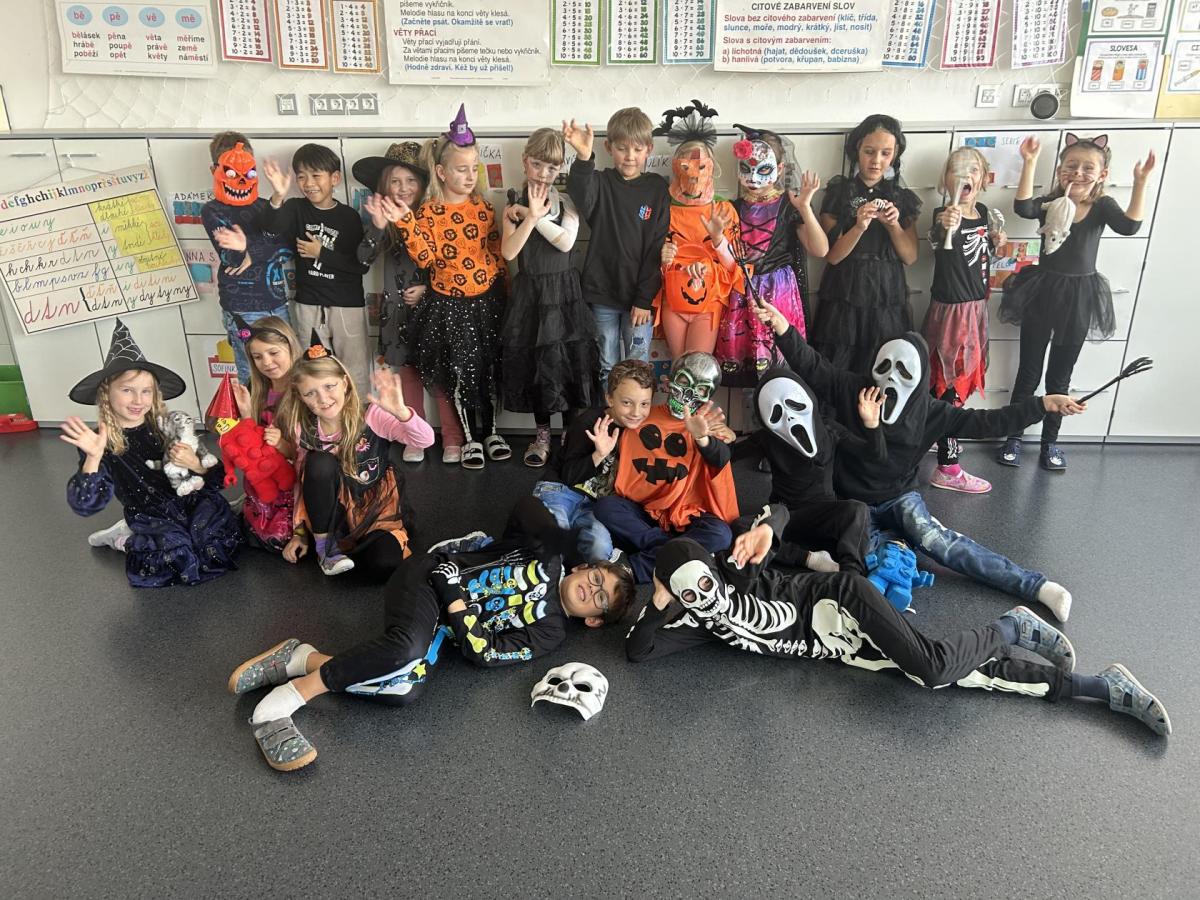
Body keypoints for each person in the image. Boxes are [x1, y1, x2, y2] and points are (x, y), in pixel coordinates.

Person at [627, 508, 1171, 739]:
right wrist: (659, 601)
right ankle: (1101, 687)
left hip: (841, 601)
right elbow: (638, 651)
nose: (705, 598)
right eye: (691, 595)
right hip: (840, 647)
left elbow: (781, 512)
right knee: (963, 674)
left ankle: (1011, 627)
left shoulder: (735, 569)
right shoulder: (698, 620)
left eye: (705, 584)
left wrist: (767, 528)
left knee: (931, 668)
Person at [228, 496, 635, 771]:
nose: (592, 589)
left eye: (600, 599)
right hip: (424, 577)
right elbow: (524, 506)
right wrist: (554, 538)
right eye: (596, 578)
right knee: (406, 649)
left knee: (403, 691)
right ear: (585, 567)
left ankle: (299, 658)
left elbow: (487, 654)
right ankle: (281, 705)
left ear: (594, 620)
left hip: (441, 618)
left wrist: (454, 596)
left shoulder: (550, 633)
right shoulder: (548, 555)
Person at [756, 303, 1083, 622]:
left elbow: (987, 422)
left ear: (919, 377)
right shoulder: (854, 389)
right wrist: (783, 329)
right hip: (852, 502)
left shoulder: (932, 412)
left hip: (900, 496)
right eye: (885, 367)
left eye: (903, 371)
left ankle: (1035, 586)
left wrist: (1042, 405)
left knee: (939, 542)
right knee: (866, 559)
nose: (891, 379)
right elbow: (815, 367)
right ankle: (898, 548)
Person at [997, 133, 1156, 472]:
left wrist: (1140, 182)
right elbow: (1023, 207)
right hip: (1042, 292)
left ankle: (1049, 442)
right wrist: (1029, 163)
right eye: (1071, 166)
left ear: (1102, 174)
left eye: (1088, 168)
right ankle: (1013, 436)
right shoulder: (1051, 203)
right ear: (1060, 171)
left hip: (1080, 297)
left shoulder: (1102, 206)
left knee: (1060, 377)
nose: (1078, 173)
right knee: (1029, 372)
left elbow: (1130, 226)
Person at [62, 319, 243, 587]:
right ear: (106, 393)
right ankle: (124, 538)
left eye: (146, 391)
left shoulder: (168, 426)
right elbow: (86, 504)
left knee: (211, 542)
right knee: (175, 554)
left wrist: (196, 464)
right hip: (150, 514)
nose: (138, 400)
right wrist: (93, 458)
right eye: (127, 390)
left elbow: (219, 477)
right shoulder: (100, 442)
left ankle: (215, 520)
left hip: (191, 502)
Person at [392, 105, 508, 470]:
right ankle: (469, 438)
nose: (470, 175)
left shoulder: (485, 208)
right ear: (441, 172)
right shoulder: (428, 213)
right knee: (459, 373)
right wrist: (406, 223)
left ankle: (491, 431)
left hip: (487, 304)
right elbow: (425, 259)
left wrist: (506, 292)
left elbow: (496, 254)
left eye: (474, 168)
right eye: (461, 169)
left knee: (488, 370)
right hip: (450, 308)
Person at [276, 332, 434, 579]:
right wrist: (299, 533)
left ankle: (357, 548)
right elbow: (304, 481)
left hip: (374, 507)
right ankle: (326, 549)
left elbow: (425, 440)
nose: (323, 399)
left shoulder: (372, 416)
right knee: (318, 462)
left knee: (384, 564)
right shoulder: (303, 429)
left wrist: (403, 413)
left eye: (329, 386)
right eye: (310, 393)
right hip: (334, 510)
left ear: (345, 383)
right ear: (300, 397)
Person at [499, 127, 598, 467]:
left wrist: (535, 217)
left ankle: (569, 435)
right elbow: (509, 252)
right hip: (531, 296)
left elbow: (567, 243)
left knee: (567, 364)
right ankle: (542, 436)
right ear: (525, 161)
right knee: (536, 367)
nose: (543, 173)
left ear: (560, 169)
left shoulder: (567, 201)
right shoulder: (512, 202)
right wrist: (529, 217)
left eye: (552, 167)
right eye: (537, 164)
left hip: (564, 294)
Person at [353, 141, 456, 464]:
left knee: (440, 379)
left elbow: (450, 266)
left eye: (411, 181)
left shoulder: (434, 216)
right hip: (398, 314)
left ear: (423, 184)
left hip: (434, 309)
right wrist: (378, 226)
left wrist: (429, 290)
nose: (403, 188)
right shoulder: (383, 220)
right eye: (395, 181)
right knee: (408, 376)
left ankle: (453, 437)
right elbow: (362, 259)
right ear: (385, 185)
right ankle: (415, 435)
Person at [594, 352, 738, 583]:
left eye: (701, 389)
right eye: (683, 381)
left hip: (688, 515)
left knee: (720, 534)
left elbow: (720, 458)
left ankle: (635, 568)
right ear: (670, 380)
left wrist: (702, 438)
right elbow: (616, 415)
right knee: (606, 508)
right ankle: (676, 551)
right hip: (645, 509)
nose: (688, 394)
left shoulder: (705, 425)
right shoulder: (642, 415)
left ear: (709, 395)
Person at [733, 368, 883, 575]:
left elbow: (873, 456)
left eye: (793, 405)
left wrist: (872, 425)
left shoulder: (828, 428)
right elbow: (727, 456)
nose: (789, 418)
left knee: (858, 510)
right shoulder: (766, 439)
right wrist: (715, 440)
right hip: (785, 519)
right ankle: (809, 559)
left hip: (825, 515)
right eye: (777, 413)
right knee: (741, 528)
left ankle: (851, 577)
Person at [564, 107, 670, 385]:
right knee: (606, 366)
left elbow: (656, 248)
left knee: (638, 366)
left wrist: (643, 300)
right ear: (609, 148)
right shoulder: (600, 182)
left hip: (640, 299)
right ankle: (608, 412)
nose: (630, 156)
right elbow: (579, 192)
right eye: (622, 149)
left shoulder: (657, 188)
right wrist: (584, 157)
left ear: (649, 149)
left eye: (637, 149)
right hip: (602, 294)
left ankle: (636, 413)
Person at [715, 124, 827, 384]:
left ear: (780, 169)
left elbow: (820, 249)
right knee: (748, 367)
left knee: (779, 364)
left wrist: (805, 207)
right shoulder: (731, 208)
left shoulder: (789, 205)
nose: (754, 178)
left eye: (763, 170)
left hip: (779, 293)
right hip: (742, 292)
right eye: (746, 168)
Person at [924, 146, 1006, 493]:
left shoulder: (984, 213)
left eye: (973, 169)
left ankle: (935, 434)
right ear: (945, 180)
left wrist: (996, 242)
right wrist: (944, 225)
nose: (965, 175)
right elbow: (939, 238)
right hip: (952, 313)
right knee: (949, 384)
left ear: (984, 179)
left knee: (956, 382)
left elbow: (980, 256)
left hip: (975, 309)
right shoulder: (944, 215)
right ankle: (948, 466)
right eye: (956, 170)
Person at [813, 114, 921, 375]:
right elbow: (833, 256)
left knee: (883, 364)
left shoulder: (901, 197)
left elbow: (910, 257)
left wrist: (893, 225)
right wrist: (859, 226)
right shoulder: (839, 193)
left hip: (887, 292)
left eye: (886, 153)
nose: (876, 161)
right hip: (844, 291)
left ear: (895, 155)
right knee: (839, 366)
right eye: (869, 152)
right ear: (857, 150)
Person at [262, 143, 371, 395]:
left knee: (354, 371)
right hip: (308, 303)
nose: (308, 183)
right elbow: (270, 228)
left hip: (346, 305)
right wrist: (277, 196)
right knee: (311, 370)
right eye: (301, 176)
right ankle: (317, 416)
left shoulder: (348, 217)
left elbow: (359, 266)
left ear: (335, 178)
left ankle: (360, 418)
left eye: (316, 175)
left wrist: (320, 252)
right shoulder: (295, 208)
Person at [532, 358, 656, 564]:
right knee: (555, 538)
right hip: (561, 490)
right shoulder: (588, 423)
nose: (636, 412)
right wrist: (598, 454)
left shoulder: (643, 430)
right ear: (610, 399)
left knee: (600, 547)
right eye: (627, 403)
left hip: (594, 504)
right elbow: (569, 476)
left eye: (644, 404)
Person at [652, 100, 742, 358]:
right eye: (686, 168)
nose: (694, 176)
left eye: (701, 167)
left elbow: (736, 267)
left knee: (697, 369)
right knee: (679, 366)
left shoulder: (724, 210)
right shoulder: (665, 210)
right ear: (676, 168)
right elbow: (650, 258)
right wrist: (664, 259)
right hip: (674, 298)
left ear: (711, 167)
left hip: (708, 301)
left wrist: (718, 239)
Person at [201, 132, 292, 385]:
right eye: (231, 170)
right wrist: (244, 251)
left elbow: (287, 249)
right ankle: (253, 413)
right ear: (215, 170)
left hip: (277, 303)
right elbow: (232, 260)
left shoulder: (266, 206)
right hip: (242, 308)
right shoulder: (212, 210)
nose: (240, 177)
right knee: (252, 374)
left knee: (287, 371)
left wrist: (250, 250)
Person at [223, 314, 306, 557]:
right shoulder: (256, 388)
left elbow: (308, 452)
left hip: (296, 477)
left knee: (279, 539)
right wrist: (246, 415)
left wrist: (281, 444)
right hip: (264, 474)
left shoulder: (305, 389)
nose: (267, 362)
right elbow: (249, 442)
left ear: (290, 346)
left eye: (273, 353)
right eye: (257, 357)